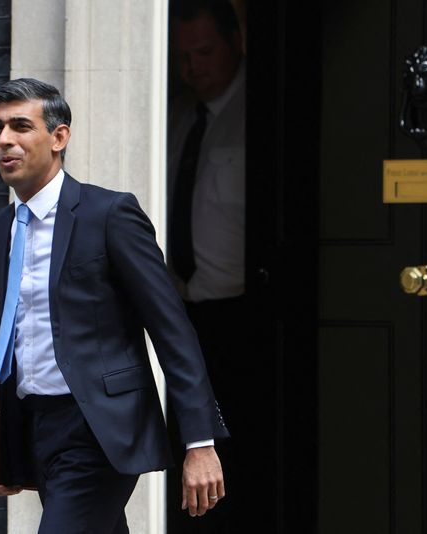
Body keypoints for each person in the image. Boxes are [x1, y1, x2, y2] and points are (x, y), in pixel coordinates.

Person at [0, 77, 229, 534]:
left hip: (99, 428)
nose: (4, 141)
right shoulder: (3, 229)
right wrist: (0, 448)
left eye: (20, 126)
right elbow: (15, 340)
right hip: (38, 425)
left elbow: (171, 329)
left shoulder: (109, 214)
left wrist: (200, 442)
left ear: (59, 137)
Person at [167, 2, 272, 533]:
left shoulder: (263, 109)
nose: (193, 66)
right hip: (181, 313)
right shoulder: (181, 117)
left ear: (238, 40)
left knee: (241, 461)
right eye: (183, 55)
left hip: (246, 316)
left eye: (205, 51)